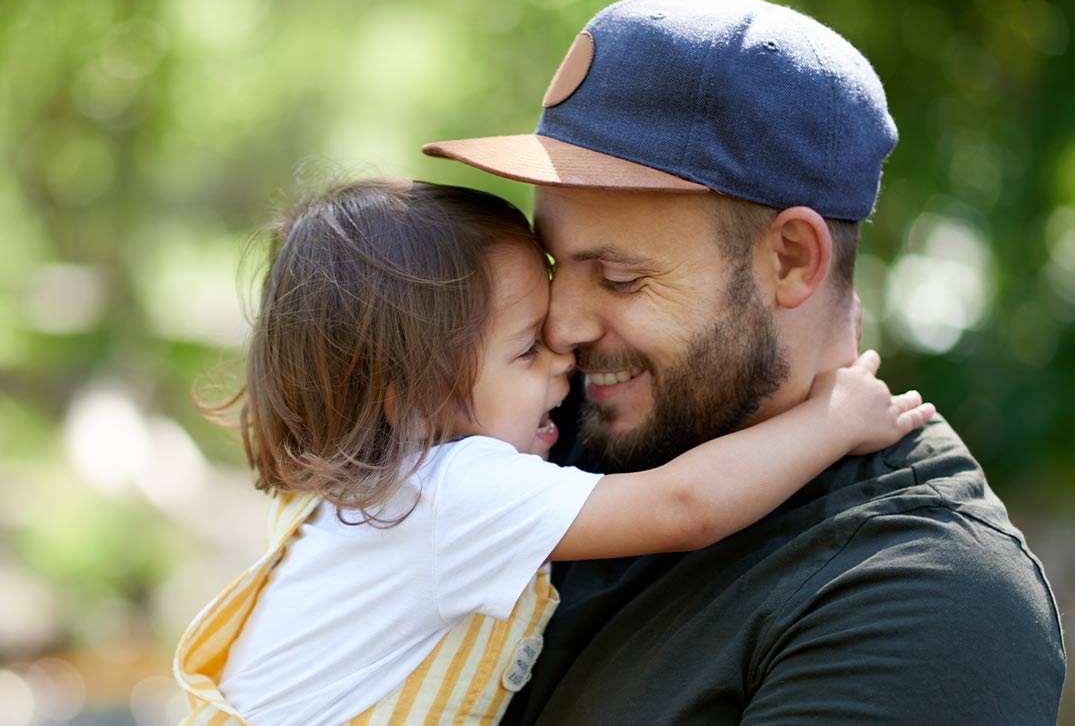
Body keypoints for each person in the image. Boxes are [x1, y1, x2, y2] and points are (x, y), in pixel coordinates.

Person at [420, 0, 1066, 725]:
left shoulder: (929, 597)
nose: (560, 328)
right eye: (554, 263)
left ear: (791, 259)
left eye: (620, 278)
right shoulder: (535, 427)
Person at [172, 177, 934, 726]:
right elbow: (685, 503)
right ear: (410, 392)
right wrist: (832, 420)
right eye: (527, 348)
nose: (565, 356)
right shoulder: (455, 493)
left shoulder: (361, 490)